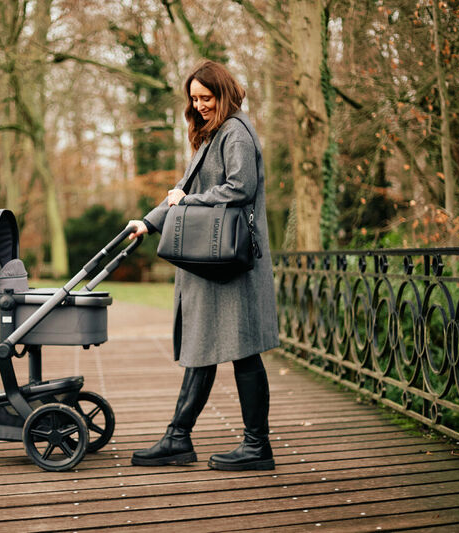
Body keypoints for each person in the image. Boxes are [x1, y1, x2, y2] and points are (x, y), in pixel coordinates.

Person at [127, 60, 280, 471]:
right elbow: (183, 187)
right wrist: (149, 221)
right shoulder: (213, 135)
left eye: (206, 98)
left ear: (223, 93)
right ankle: (178, 437)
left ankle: (256, 446)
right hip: (214, 265)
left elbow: (239, 188)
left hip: (232, 262)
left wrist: (187, 203)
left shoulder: (236, 133)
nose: (199, 106)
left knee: (243, 352)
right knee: (204, 346)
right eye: (194, 99)